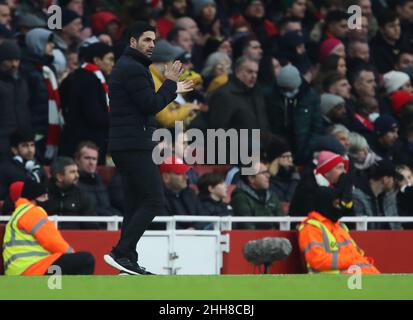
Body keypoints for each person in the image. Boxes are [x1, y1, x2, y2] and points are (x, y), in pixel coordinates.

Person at [104, 21, 193, 275]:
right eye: (146, 40)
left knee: (134, 205)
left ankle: (127, 259)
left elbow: (144, 102)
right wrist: (170, 83)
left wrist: (172, 89)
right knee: (154, 201)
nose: (152, 45)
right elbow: (149, 105)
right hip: (134, 145)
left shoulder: (130, 66)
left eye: (153, 40)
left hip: (127, 143)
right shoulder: (134, 68)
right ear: (132, 42)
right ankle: (121, 252)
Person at [2, 178, 95, 275]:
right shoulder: (32, 212)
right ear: (34, 198)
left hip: (20, 270)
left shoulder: (19, 213)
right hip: (32, 269)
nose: (47, 199)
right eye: (43, 197)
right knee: (86, 260)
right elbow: (53, 242)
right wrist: (73, 255)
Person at [298, 174, 380, 274]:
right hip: (332, 283)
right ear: (324, 204)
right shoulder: (311, 228)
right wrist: (352, 260)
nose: (339, 208)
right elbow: (317, 260)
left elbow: (357, 254)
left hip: (356, 278)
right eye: (336, 204)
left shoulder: (339, 226)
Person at [59, 42, 114, 164]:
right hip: (86, 144)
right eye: (109, 59)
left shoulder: (75, 76)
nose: (112, 64)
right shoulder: (91, 81)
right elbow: (95, 116)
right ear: (97, 60)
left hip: (73, 141)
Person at [41, 156, 98, 230]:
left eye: (77, 171)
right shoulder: (41, 194)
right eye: (72, 172)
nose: (77, 175)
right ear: (59, 177)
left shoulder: (83, 195)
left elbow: (92, 226)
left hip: (76, 239)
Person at [0, 40, 31, 160]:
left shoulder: (22, 83)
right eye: (9, 60)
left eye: (16, 60)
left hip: (21, 140)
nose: (14, 64)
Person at [230, 161, 283, 230]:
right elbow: (247, 228)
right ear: (251, 178)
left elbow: (282, 222)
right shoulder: (240, 198)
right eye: (263, 173)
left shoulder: (272, 196)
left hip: (274, 239)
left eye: (267, 172)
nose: (268, 175)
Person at [74, 141, 121, 217]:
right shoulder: (73, 182)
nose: (91, 162)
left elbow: (108, 206)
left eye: (94, 159)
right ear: (77, 160)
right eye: (87, 158)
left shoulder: (99, 181)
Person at [353, 159, 402, 230]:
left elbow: (396, 224)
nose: (395, 182)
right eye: (393, 178)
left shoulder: (389, 196)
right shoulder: (357, 196)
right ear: (385, 179)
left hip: (391, 239)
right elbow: (360, 228)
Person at [0, 129, 48, 200]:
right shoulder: (7, 169)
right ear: (14, 150)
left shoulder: (38, 166)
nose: (30, 150)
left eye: (32, 145)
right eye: (25, 146)